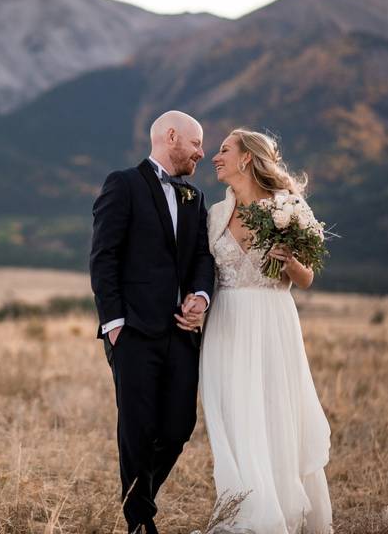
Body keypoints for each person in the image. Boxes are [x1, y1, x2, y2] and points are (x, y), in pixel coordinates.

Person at [200, 128, 333, 534]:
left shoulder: (288, 206)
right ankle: (244, 510)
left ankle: (279, 513)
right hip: (225, 325)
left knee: (275, 413)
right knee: (233, 417)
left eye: (223, 150)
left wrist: (290, 262)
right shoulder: (215, 216)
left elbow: (306, 277)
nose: (214, 157)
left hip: (272, 322)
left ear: (245, 158)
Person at [90, 110, 216, 534]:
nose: (202, 152)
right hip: (134, 333)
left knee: (179, 427)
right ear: (172, 136)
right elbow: (103, 256)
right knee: (137, 428)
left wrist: (200, 296)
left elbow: (202, 255)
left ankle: (138, 500)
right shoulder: (122, 184)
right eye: (197, 143)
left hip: (181, 334)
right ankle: (140, 521)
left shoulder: (194, 198)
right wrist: (114, 324)